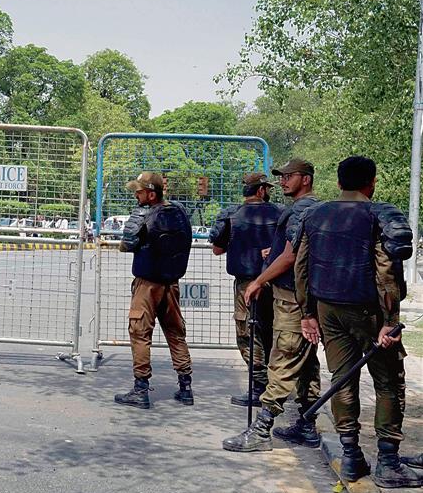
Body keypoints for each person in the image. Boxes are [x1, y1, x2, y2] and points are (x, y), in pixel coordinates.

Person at [294, 156, 419, 489]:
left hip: (326, 310)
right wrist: (389, 320)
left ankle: (350, 457)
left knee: (341, 378)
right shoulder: (376, 215)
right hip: (368, 311)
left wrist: (307, 313)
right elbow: (385, 270)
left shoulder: (314, 214)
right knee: (388, 383)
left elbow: (301, 267)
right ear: (372, 182)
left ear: (338, 183)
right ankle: (389, 463)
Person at [223, 158, 320, 452]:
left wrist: (259, 280)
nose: (282, 181)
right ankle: (307, 424)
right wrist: (272, 252)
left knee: (283, 359)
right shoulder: (302, 209)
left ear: (305, 179)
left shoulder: (304, 209)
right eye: (281, 176)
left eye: (289, 176)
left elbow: (291, 257)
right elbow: (290, 250)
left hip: (293, 298)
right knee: (306, 363)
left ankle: (262, 429)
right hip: (297, 296)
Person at [113, 171, 194, 409]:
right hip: (171, 283)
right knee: (175, 333)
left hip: (147, 284)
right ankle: (185, 386)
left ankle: (141, 389)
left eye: (139, 192)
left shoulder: (143, 215)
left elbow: (126, 244)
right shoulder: (179, 212)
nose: (136, 196)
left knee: (139, 332)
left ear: (151, 193)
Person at [209, 173, 283, 406]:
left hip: (245, 284)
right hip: (277, 281)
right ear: (261, 191)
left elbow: (217, 250)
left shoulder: (231, 215)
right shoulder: (281, 213)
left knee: (248, 333)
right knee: (274, 330)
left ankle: (259, 386)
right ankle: (276, 384)